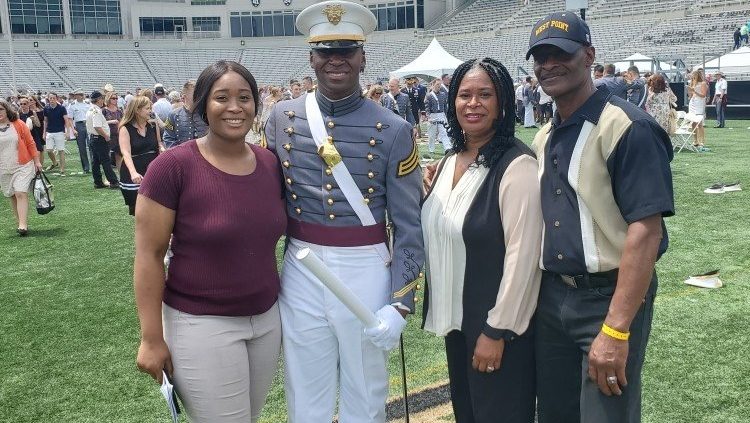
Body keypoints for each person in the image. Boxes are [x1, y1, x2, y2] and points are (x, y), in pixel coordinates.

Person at [263, 2, 424, 421]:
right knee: (304, 388)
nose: (336, 58)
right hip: (302, 267)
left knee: (365, 388)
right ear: (311, 57)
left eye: (347, 49)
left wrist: (401, 303)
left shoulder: (394, 129)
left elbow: (408, 225)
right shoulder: (282, 118)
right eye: (325, 49)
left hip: (365, 268)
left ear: (363, 57)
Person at [525, 12, 674, 423]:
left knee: (606, 415)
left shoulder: (627, 126)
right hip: (553, 296)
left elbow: (646, 230)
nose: (549, 64)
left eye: (561, 53)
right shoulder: (545, 135)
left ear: (588, 55)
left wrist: (616, 326)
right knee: (556, 413)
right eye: (540, 57)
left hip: (608, 296)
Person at [134, 60, 286, 423]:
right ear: (202, 104)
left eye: (244, 98)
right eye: (222, 98)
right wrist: (151, 338)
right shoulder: (171, 167)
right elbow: (149, 255)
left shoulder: (269, 163)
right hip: (201, 324)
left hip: (266, 321)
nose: (235, 107)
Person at [421, 58, 541, 423]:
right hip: (458, 324)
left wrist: (496, 330)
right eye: (464, 95)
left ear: (502, 103)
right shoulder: (446, 163)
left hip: (497, 329)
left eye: (485, 95)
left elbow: (523, 259)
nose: (473, 104)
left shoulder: (517, 165)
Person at [0, 99, 42, 236]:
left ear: (7, 110)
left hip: (22, 165)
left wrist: (37, 161)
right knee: (12, 195)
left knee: (20, 192)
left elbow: (30, 143)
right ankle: (20, 222)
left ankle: (23, 225)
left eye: (1, 109)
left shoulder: (18, 124)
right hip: (3, 168)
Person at [118, 96, 163, 216]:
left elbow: (159, 143)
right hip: (135, 172)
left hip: (153, 170)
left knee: (159, 207)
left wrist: (162, 148)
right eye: (147, 108)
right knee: (141, 212)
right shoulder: (125, 128)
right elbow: (125, 152)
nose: (151, 111)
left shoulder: (153, 125)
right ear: (137, 110)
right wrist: (133, 172)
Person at [86, 91, 119, 189]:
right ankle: (113, 181)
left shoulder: (90, 110)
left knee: (95, 161)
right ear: (99, 100)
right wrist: (106, 136)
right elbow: (97, 127)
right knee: (105, 160)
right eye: (101, 99)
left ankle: (98, 182)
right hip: (99, 138)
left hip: (93, 138)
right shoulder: (97, 111)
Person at [162, 80, 208, 149]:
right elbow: (168, 139)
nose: (200, 98)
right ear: (184, 97)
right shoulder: (173, 115)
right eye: (196, 95)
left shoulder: (207, 114)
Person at [43, 92, 74, 175]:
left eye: (53, 98)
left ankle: (62, 169)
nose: (52, 100)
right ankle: (55, 163)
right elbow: (45, 121)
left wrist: (67, 132)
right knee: (49, 150)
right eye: (50, 98)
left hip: (60, 132)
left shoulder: (62, 108)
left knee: (61, 151)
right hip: (49, 131)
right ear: (48, 99)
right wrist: (44, 132)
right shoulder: (46, 108)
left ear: (56, 99)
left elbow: (66, 120)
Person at [67, 90, 91, 173]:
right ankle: (86, 167)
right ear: (75, 96)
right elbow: (70, 119)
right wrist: (73, 129)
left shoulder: (88, 103)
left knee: (91, 145)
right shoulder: (72, 105)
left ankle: (94, 165)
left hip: (88, 124)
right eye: (79, 95)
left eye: (82, 94)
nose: (81, 96)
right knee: (82, 147)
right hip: (79, 125)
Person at [426, 78, 451, 153]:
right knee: (432, 134)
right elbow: (427, 107)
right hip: (433, 115)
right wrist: (428, 117)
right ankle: (431, 149)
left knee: (444, 132)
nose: (439, 86)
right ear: (433, 85)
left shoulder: (443, 94)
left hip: (441, 114)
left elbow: (445, 106)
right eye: (437, 84)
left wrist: (446, 116)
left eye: (440, 85)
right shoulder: (429, 95)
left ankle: (448, 147)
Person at [18, 96, 45, 166]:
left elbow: (38, 125)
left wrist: (34, 119)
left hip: (34, 134)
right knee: (27, 153)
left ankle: (38, 169)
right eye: (21, 104)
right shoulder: (19, 114)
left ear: (28, 104)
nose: (22, 105)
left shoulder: (33, 112)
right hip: (24, 135)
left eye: (24, 104)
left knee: (38, 151)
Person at [102, 91, 124, 171]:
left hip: (118, 135)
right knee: (107, 157)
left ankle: (120, 175)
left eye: (116, 98)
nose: (115, 100)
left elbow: (123, 121)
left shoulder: (119, 110)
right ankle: (108, 177)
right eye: (113, 98)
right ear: (108, 99)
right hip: (107, 135)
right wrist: (111, 121)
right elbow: (101, 123)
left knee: (119, 155)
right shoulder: (104, 110)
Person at [687, 69, 708, 149]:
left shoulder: (703, 83)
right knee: (693, 122)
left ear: (696, 75)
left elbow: (703, 95)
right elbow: (691, 95)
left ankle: (702, 141)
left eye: (693, 75)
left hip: (699, 102)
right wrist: (690, 91)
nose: (691, 76)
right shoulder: (692, 83)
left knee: (699, 123)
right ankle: (695, 141)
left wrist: (694, 91)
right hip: (692, 102)